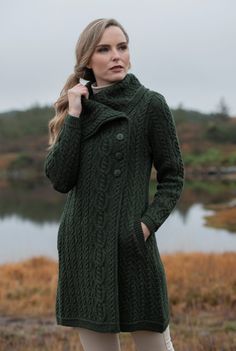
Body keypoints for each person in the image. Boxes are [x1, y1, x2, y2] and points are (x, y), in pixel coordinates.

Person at [44, 17, 185, 351]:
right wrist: (76, 115)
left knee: (155, 345)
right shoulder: (78, 109)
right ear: (87, 61)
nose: (116, 56)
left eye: (122, 47)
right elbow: (60, 179)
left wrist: (145, 227)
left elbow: (173, 176)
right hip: (84, 249)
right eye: (104, 49)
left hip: (133, 245)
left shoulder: (150, 104)